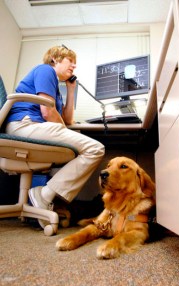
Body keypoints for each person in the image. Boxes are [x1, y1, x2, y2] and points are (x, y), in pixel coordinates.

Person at [5, 45, 105, 225]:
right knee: (95, 149)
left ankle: (47, 199)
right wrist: (67, 133)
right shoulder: (45, 70)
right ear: (55, 59)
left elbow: (67, 119)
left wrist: (71, 89)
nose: (74, 66)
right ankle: (44, 195)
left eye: (75, 64)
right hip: (25, 124)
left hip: (30, 128)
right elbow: (47, 112)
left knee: (78, 148)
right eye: (70, 61)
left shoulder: (56, 89)